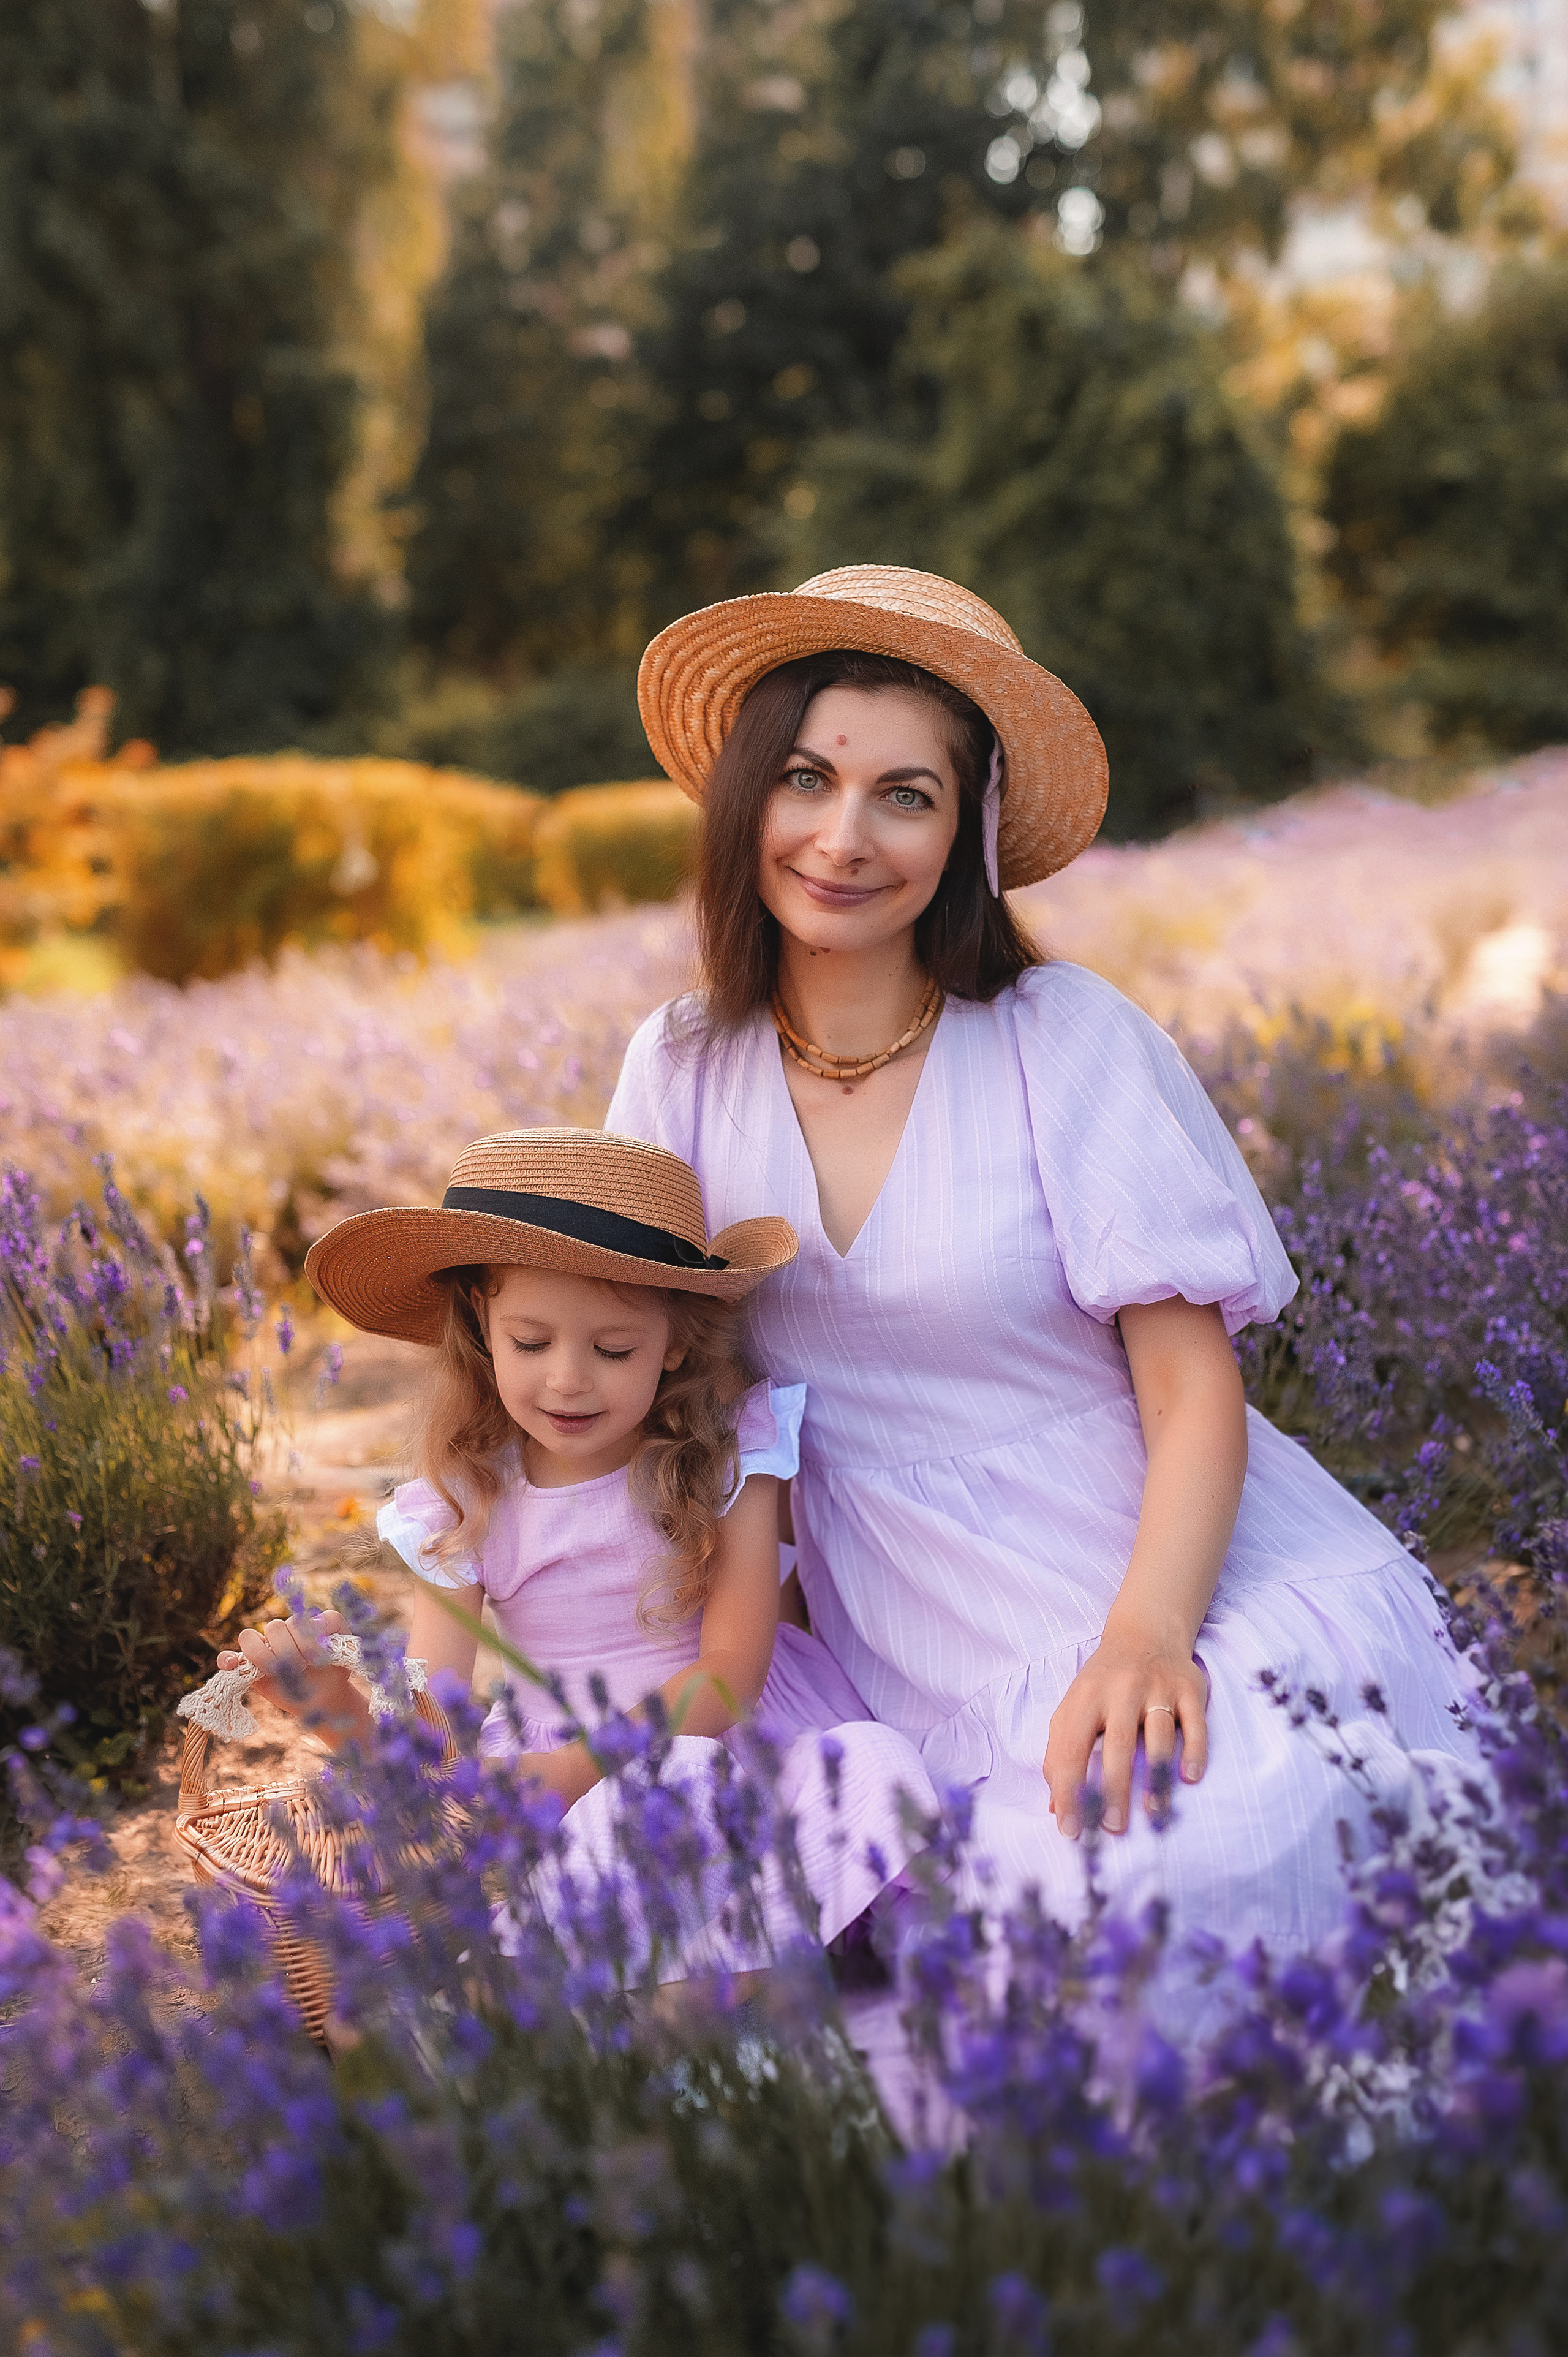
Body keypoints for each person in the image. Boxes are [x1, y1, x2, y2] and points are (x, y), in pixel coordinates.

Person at [604, 564, 1482, 1961]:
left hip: (1171, 1573)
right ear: (747, 795)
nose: (843, 837)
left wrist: (1146, 1637)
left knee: (1202, 1866)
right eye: (807, 778)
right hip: (906, 1628)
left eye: (905, 795)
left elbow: (1190, 1387)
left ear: (965, 834)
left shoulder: (1058, 1037)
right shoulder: (680, 1065)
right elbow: (626, 1374)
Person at [215, 1125, 935, 1974]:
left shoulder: (729, 1456)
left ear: (675, 1342)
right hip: (586, 1797)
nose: (567, 1379)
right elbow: (433, 1737)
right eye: (531, 1342)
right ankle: (691, 1976)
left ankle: (704, 1982)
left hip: (735, 1741)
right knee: (653, 1809)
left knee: (872, 1767)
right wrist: (336, 1709)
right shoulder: (468, 1499)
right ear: (482, 1324)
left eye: (613, 1349)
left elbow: (730, 1672)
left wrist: (571, 1769)